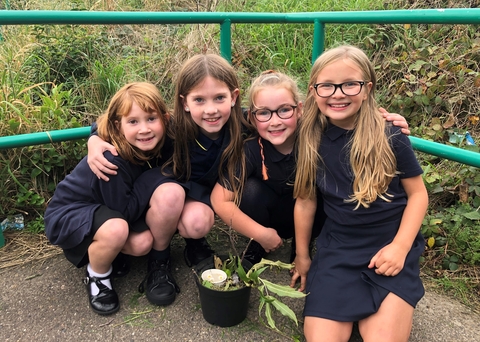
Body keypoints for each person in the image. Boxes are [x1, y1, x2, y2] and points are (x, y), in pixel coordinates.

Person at [290, 45, 428, 342]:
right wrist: (303, 257)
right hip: (339, 248)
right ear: (313, 91)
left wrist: (401, 248)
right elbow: (305, 201)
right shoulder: (310, 137)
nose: (338, 94)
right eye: (326, 85)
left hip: (388, 245)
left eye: (350, 84)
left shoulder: (389, 135)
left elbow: (418, 195)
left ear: (367, 89)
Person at [211, 70, 411, 265]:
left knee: (328, 187)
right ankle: (260, 244)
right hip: (270, 217)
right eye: (264, 113)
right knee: (249, 191)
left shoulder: (318, 135)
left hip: (313, 214)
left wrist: (385, 121)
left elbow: (352, 118)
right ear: (253, 117)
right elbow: (219, 200)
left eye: (284, 110)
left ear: (299, 110)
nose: (275, 121)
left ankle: (304, 247)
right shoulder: (252, 149)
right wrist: (260, 233)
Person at [87, 54, 250, 267]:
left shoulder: (243, 123)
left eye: (219, 98)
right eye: (199, 99)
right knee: (171, 196)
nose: (211, 109)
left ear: (234, 97)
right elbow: (120, 121)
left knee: (196, 223)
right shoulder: (173, 127)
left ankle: (195, 243)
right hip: (171, 194)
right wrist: (94, 138)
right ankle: (159, 258)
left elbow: (274, 117)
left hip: (201, 198)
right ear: (185, 103)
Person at [44, 82, 180, 315]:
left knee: (142, 243)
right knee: (117, 230)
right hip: (72, 212)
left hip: (107, 206)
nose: (144, 129)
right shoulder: (111, 159)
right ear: (118, 125)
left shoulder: (161, 139)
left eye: (151, 119)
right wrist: (156, 175)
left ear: (165, 119)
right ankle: (97, 275)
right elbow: (123, 213)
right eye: (133, 122)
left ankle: (111, 253)